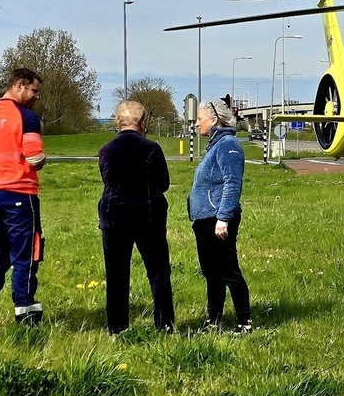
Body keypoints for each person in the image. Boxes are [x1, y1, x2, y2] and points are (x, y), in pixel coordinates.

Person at [0, 68, 46, 336]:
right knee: (26, 254)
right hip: (20, 194)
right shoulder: (25, 117)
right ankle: (25, 312)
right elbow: (35, 157)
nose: (36, 96)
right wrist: (39, 162)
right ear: (20, 85)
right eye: (34, 90)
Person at [98, 101, 175, 335]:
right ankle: (165, 326)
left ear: (118, 122)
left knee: (117, 274)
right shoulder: (151, 148)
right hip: (147, 215)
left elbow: (107, 180)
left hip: (114, 216)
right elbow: (163, 183)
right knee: (158, 272)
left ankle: (117, 328)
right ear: (142, 123)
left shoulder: (106, 150)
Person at [188, 96, 251, 334]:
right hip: (204, 219)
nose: (196, 124)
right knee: (211, 272)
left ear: (214, 120)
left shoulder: (228, 145)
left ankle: (245, 322)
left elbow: (232, 183)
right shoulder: (215, 144)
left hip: (217, 219)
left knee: (228, 271)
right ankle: (213, 320)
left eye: (199, 119)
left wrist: (223, 218)